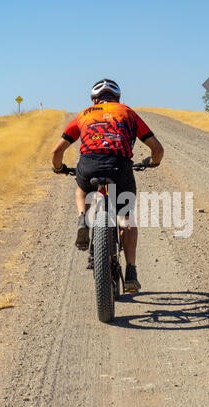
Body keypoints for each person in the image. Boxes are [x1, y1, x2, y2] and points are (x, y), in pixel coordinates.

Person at [51, 79, 164, 291]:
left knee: (81, 189)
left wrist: (59, 168)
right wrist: (153, 162)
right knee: (126, 216)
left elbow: (56, 152)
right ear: (118, 98)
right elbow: (157, 149)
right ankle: (131, 271)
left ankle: (83, 219)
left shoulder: (84, 114)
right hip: (119, 168)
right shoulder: (128, 113)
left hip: (89, 166)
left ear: (94, 99)